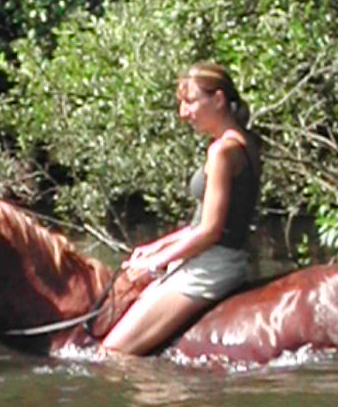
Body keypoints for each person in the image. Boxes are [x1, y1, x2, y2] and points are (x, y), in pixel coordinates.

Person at [102, 62, 260, 356]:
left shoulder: (222, 151)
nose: (183, 113)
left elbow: (210, 231)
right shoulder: (244, 142)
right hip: (220, 261)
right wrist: (155, 247)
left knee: (112, 352)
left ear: (218, 99)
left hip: (209, 268)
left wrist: (154, 264)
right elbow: (204, 223)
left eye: (190, 102)